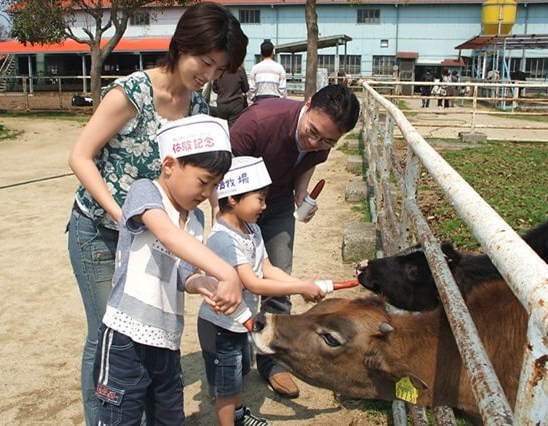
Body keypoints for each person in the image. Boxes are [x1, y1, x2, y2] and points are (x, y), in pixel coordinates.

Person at [66, 3, 248, 424]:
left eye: (219, 70)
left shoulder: (200, 109)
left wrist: (220, 217)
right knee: (107, 331)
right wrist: (126, 216)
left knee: (148, 327)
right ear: (183, 44)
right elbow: (80, 156)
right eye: (206, 63)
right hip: (100, 228)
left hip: (154, 234)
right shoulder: (130, 93)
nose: (210, 76)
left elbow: (207, 177)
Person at [95, 115, 243, 425]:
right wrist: (226, 273)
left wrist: (198, 281)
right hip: (126, 337)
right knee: (120, 417)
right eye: (203, 181)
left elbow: (180, 272)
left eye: (215, 186)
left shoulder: (197, 219)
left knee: (169, 418)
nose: (207, 192)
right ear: (169, 165)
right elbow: (166, 234)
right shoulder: (146, 192)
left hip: (166, 341)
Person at [228, 84, 360, 398]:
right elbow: (220, 176)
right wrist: (231, 222)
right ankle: (229, 355)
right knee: (236, 279)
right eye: (312, 132)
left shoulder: (324, 139)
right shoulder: (256, 124)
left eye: (327, 140)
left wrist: (301, 192)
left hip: (277, 205)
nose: (316, 142)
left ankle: (273, 362)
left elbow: (309, 161)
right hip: (237, 205)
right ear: (309, 102)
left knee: (280, 276)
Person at [198, 156, 326, 426]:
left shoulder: (252, 230)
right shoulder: (223, 238)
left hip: (239, 321)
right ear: (232, 198)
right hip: (219, 325)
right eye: (260, 198)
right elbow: (252, 283)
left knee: (238, 372)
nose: (265, 206)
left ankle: (239, 414)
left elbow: (266, 268)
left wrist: (299, 282)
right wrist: (300, 287)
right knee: (226, 386)